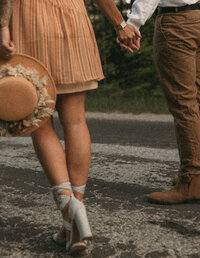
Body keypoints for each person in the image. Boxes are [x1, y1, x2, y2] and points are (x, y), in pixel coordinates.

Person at [0, 0, 141, 255]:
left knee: (39, 121)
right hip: (72, 17)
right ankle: (75, 212)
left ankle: (68, 208)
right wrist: (120, 24)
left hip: (28, 22)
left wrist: (3, 27)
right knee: (75, 119)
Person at [124, 0, 200, 204]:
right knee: (196, 101)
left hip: (177, 23)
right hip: (197, 18)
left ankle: (192, 180)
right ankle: (197, 174)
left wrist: (133, 23)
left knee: (184, 104)